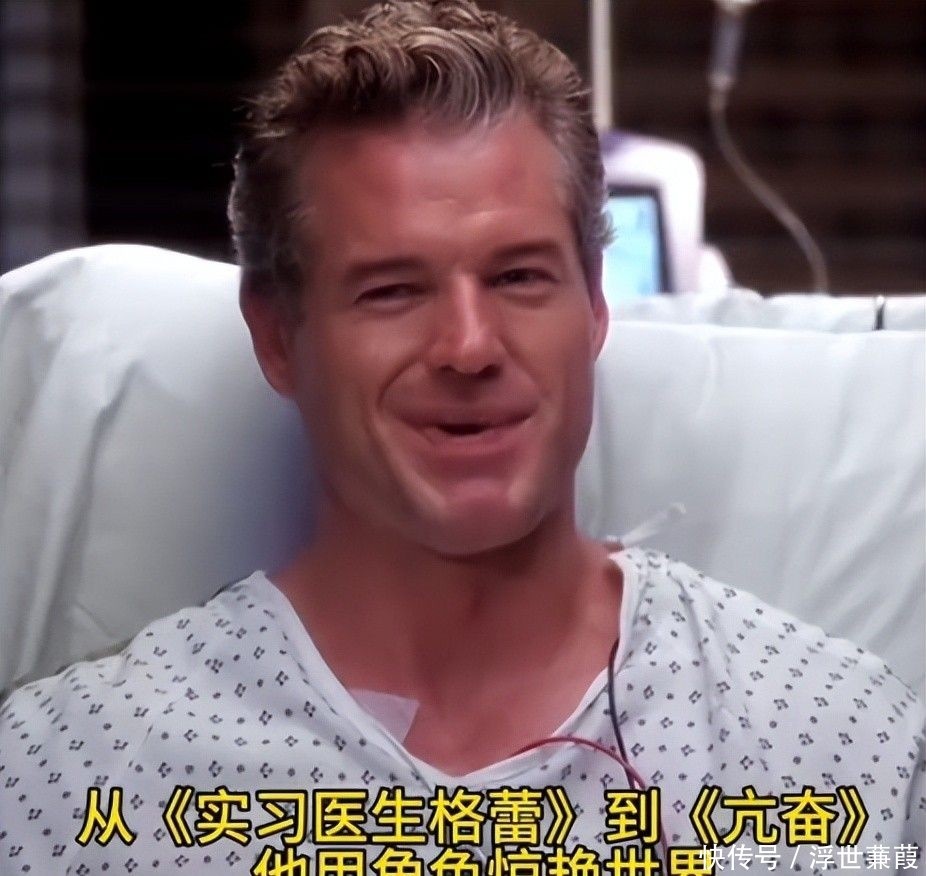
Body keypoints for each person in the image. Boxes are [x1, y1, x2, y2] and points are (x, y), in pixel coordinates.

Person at [1, 1, 922, 873]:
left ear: (595, 307)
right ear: (278, 338)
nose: (470, 346)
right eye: (392, 291)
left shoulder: (828, 749)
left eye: (519, 277)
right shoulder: (77, 779)